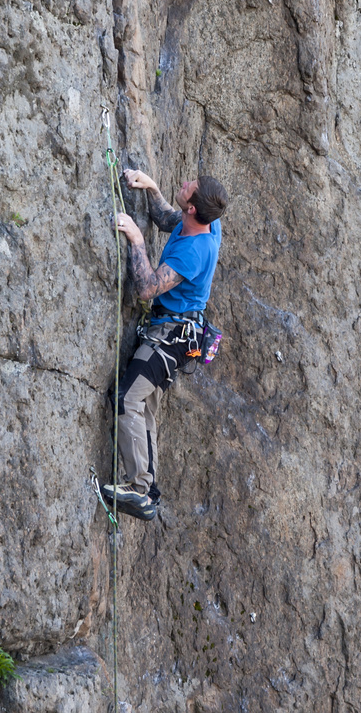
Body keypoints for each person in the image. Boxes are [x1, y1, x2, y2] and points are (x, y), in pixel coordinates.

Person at [100, 170, 228, 520]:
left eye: (189, 188)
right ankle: (148, 490)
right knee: (145, 410)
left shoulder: (194, 253)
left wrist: (137, 241)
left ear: (192, 207)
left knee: (127, 398)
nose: (185, 182)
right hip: (173, 334)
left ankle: (139, 489)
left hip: (169, 338)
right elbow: (168, 218)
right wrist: (152, 188)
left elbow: (146, 288)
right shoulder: (205, 222)